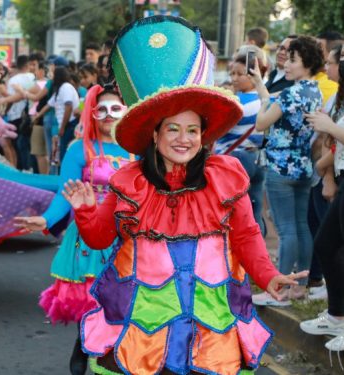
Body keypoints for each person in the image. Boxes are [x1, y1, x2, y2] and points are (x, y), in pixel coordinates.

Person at [66, 16, 302, 374]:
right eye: (173, 128)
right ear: (155, 135)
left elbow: (247, 236)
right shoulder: (129, 181)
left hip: (211, 323)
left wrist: (269, 276)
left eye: (193, 130)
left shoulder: (225, 177)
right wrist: (85, 212)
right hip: (142, 323)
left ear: (204, 136)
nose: (183, 138)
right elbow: (99, 239)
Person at [15, 84, 133, 375]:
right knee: (92, 299)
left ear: (127, 111)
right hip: (89, 234)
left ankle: (112, 353)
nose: (108, 115)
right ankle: (83, 346)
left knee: (125, 301)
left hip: (128, 236)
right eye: (101, 109)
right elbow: (64, 193)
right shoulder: (80, 149)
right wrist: (47, 219)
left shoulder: (139, 149)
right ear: (92, 113)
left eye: (115, 108)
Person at [249, 35, 324, 306]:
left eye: (293, 59)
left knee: (286, 229)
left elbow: (261, 123)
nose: (287, 64)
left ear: (307, 63)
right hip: (303, 167)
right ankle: (299, 287)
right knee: (302, 227)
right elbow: (272, 102)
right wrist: (261, 86)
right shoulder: (314, 91)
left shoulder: (291, 93)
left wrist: (263, 104)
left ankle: (280, 288)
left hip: (280, 167)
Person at [299, 44, 344, 352]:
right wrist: (326, 171)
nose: (332, 66)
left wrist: (330, 127)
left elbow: (334, 134)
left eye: (335, 61)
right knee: (327, 245)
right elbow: (332, 144)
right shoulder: (339, 97)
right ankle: (337, 315)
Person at [214, 47, 268, 235]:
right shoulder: (265, 99)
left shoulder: (235, 102)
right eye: (232, 73)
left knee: (229, 211)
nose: (235, 78)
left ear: (253, 74)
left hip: (232, 160)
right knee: (255, 209)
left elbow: (215, 127)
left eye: (240, 74)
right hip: (257, 159)